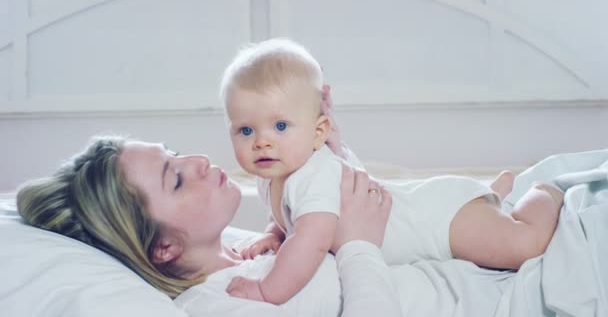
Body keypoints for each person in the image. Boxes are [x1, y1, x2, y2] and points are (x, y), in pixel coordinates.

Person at [220, 38, 565, 304]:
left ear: (319, 131)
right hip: (422, 209)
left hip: (437, 223)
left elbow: (309, 241)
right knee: (491, 220)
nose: (262, 142)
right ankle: (491, 195)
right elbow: (288, 218)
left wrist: (267, 290)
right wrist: (274, 234)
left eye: (280, 126)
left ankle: (541, 191)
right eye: (246, 131)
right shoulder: (274, 175)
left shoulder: (312, 174)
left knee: (526, 245)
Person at [16, 135, 403, 316]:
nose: (200, 160)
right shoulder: (218, 304)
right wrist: (358, 247)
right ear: (162, 248)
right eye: (177, 179)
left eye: (177, 154)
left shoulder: (250, 252)